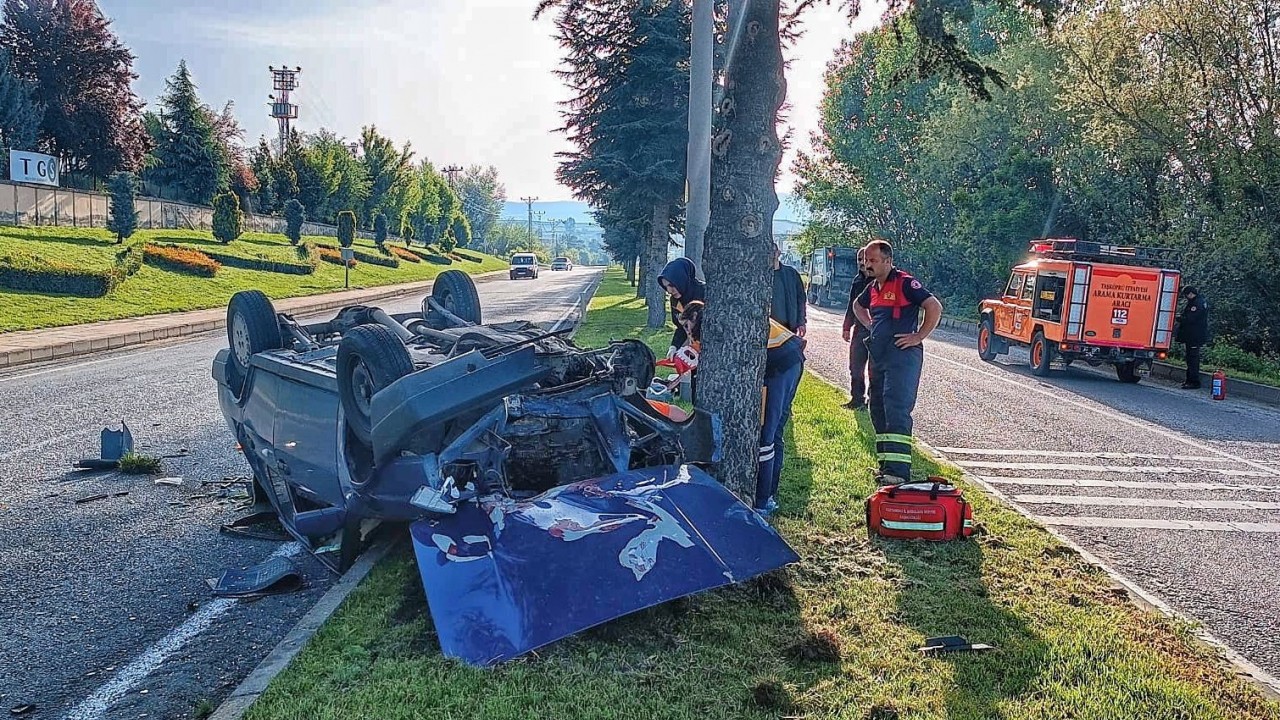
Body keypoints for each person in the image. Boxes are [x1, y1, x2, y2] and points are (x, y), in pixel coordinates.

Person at [677, 300, 804, 517]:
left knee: (765, 436)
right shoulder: (725, 316)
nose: (689, 334)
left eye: (688, 327)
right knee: (775, 433)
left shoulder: (718, 325)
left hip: (779, 366)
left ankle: (762, 502)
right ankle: (770, 493)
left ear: (696, 318)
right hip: (791, 358)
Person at [852, 240, 942, 485]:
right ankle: (886, 466)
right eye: (866, 260)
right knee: (877, 408)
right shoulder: (872, 287)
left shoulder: (904, 283)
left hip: (902, 357)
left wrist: (919, 336)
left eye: (873, 260)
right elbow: (858, 306)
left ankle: (899, 472)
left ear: (888, 261)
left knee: (896, 410)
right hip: (879, 355)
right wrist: (869, 324)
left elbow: (933, 306)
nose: (867, 265)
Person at [842, 247, 874, 409]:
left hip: (876, 331)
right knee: (855, 366)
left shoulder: (880, 281)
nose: (862, 263)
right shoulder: (857, 280)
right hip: (859, 330)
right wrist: (847, 327)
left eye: (865, 259)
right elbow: (851, 305)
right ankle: (856, 398)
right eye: (859, 260)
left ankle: (872, 401)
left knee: (874, 369)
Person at [658, 257, 706, 360]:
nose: (669, 290)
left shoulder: (704, 292)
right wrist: (674, 346)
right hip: (692, 351)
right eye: (666, 287)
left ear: (681, 279)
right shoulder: (675, 300)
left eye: (671, 285)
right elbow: (681, 327)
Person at [1175, 285, 1210, 389]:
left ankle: (1193, 382)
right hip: (1193, 335)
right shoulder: (1198, 301)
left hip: (1194, 336)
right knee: (1190, 358)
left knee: (1193, 359)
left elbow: (1190, 319)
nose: (1186, 298)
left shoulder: (1197, 304)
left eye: (1186, 295)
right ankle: (1189, 380)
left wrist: (1179, 318)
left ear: (1190, 294)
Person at [771, 242, 807, 337]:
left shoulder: (791, 274)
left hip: (787, 328)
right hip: (766, 328)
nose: (771, 255)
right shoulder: (758, 277)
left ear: (778, 253)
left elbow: (801, 299)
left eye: (773, 251)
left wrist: (801, 322)